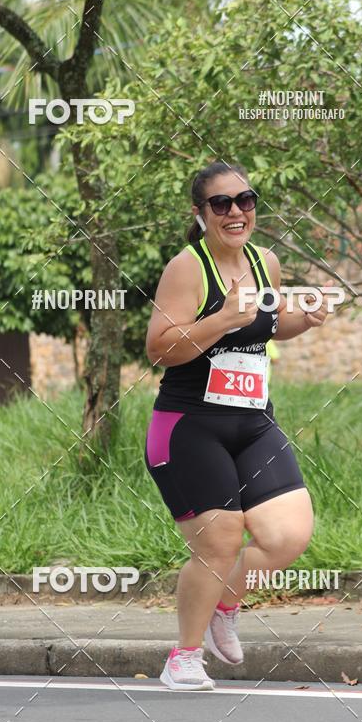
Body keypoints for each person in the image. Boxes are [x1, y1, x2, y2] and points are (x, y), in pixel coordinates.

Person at [144, 161, 328, 690]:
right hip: (189, 427)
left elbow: (268, 325)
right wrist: (222, 317)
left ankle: (224, 604)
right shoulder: (187, 268)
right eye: (221, 203)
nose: (235, 212)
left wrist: (304, 318)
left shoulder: (265, 262)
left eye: (245, 200)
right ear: (200, 213)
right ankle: (183, 657)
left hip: (253, 423)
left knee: (288, 535)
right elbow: (160, 348)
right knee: (219, 543)